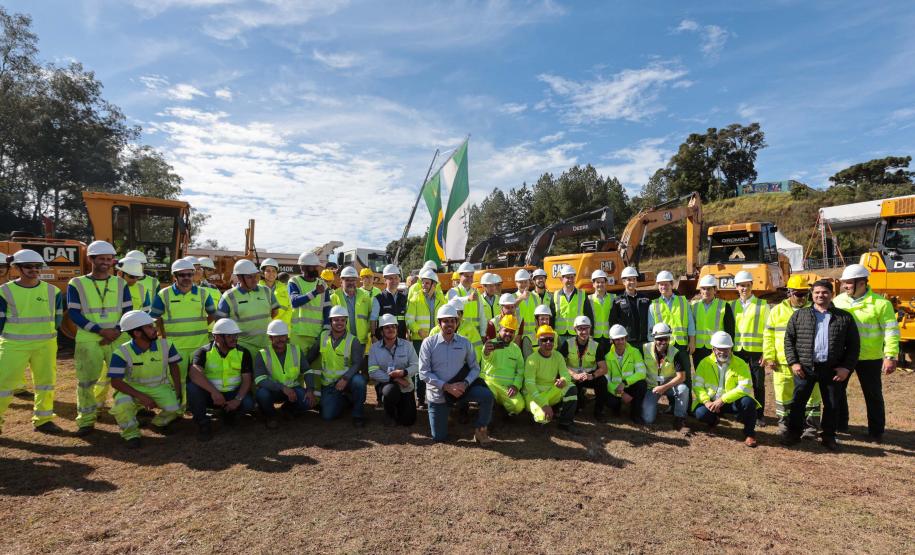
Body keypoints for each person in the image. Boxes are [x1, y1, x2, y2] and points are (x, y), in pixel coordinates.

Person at [783, 280, 860, 451]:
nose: (820, 295)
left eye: (824, 292)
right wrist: (794, 362)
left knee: (832, 404)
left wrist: (846, 368)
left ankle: (828, 437)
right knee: (798, 402)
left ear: (831, 294)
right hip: (805, 368)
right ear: (812, 294)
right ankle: (794, 433)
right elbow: (789, 340)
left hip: (832, 369)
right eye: (817, 292)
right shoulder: (799, 315)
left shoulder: (844, 317)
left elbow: (854, 346)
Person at [68, 240, 133, 436]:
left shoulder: (120, 283)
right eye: (101, 259)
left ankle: (128, 422)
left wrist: (115, 331)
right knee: (86, 382)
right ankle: (86, 421)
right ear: (91, 259)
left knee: (124, 379)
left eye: (109, 259)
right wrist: (101, 331)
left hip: (117, 337)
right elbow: (74, 314)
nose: (106, 262)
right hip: (89, 340)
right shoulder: (77, 283)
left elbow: (128, 311)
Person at [0, 250, 64, 434]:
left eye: (38, 267)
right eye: (29, 266)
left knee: (46, 383)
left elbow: (58, 320)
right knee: (3, 384)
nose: (34, 270)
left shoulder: (54, 291)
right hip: (13, 345)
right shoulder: (4, 292)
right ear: (17, 268)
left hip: (45, 345)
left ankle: (43, 419)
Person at [833, 264, 899, 442]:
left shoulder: (881, 304)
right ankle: (840, 425)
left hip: (869, 357)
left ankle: (876, 432)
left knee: (873, 395)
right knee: (837, 391)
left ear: (861, 283)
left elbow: (891, 332)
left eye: (848, 283)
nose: (845, 286)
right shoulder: (838, 301)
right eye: (844, 283)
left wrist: (890, 356)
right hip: (843, 357)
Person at [418, 304, 493, 444]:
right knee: (439, 438)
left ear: (457, 323)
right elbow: (423, 373)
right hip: (439, 394)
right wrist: (446, 386)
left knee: (487, 396)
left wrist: (465, 384)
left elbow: (475, 368)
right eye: (445, 321)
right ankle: (445, 415)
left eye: (453, 320)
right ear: (439, 323)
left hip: (461, 390)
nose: (449, 324)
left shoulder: (465, 342)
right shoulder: (428, 343)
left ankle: (481, 430)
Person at [107, 311, 182, 449]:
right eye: (149, 327)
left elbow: (174, 366)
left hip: (160, 387)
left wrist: (177, 389)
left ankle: (158, 423)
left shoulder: (166, 345)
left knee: (176, 408)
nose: (155, 329)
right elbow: (115, 382)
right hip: (133, 389)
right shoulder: (121, 352)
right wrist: (142, 397)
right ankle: (131, 434)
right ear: (137, 333)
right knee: (122, 406)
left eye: (152, 325)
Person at [150, 258, 217, 410]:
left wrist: (200, 326)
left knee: (200, 378)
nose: (186, 278)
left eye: (189, 274)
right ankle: (178, 408)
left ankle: (197, 407)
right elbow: (156, 318)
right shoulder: (164, 294)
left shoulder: (203, 293)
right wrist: (164, 336)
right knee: (176, 381)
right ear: (175, 276)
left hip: (199, 346)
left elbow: (212, 314)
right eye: (182, 275)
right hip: (175, 346)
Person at [763, 275, 821, 436]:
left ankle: (811, 427)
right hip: (782, 362)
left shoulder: (815, 310)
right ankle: (785, 425)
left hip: (808, 362)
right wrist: (769, 356)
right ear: (789, 293)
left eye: (805, 294)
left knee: (812, 395)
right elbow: (768, 335)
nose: (802, 298)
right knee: (784, 394)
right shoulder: (777, 311)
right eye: (798, 294)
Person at [186, 318, 256, 441]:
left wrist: (237, 400)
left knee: (248, 403)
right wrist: (214, 392)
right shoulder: (203, 352)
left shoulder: (243, 352)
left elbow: (247, 380)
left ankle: (230, 413)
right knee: (192, 388)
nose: (234, 338)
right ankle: (203, 424)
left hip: (233, 394)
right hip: (211, 396)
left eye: (235, 335)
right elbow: (194, 374)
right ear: (217, 337)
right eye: (229, 336)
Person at [692, 331, 761, 448]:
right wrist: (706, 402)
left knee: (748, 403)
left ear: (731, 348)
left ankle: (749, 433)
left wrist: (723, 400)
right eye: (719, 348)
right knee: (700, 413)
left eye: (726, 349)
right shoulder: (704, 363)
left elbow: (744, 387)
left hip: (731, 402)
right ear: (713, 348)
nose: (723, 352)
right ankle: (713, 422)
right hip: (712, 402)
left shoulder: (740, 363)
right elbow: (698, 385)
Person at [305, 305, 367, 426]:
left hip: (347, 381)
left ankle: (358, 414)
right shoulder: (322, 337)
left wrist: (345, 378)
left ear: (346, 321)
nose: (340, 323)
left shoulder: (353, 340)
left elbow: (357, 363)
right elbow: (310, 357)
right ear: (330, 321)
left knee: (359, 381)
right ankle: (347, 400)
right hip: (329, 385)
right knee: (327, 416)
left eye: (343, 320)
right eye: (336, 320)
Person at [255, 319, 315, 429]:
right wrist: (282, 388)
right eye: (276, 336)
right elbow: (260, 379)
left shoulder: (295, 350)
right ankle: (271, 416)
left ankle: (288, 409)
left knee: (307, 402)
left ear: (287, 336)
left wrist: (310, 389)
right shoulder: (262, 354)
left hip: (293, 390)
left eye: (283, 336)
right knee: (262, 394)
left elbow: (307, 370)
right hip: (273, 391)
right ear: (270, 338)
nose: (280, 339)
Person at [730, 271, 770, 427]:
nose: (744, 288)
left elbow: (768, 330)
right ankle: (740, 412)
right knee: (737, 383)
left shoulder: (762, 305)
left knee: (758, 384)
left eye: (747, 285)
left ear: (752, 286)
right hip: (738, 350)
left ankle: (759, 416)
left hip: (756, 351)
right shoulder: (732, 305)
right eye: (741, 286)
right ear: (736, 287)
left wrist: (766, 352)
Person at [216, 259, 279, 355]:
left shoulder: (266, 291)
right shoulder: (229, 296)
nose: (254, 279)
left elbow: (275, 312)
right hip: (242, 349)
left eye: (256, 276)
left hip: (267, 346)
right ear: (239, 277)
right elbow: (220, 322)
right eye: (249, 277)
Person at [523, 325, 578, 433]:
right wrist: (543, 404)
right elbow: (529, 385)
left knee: (571, 388)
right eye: (544, 340)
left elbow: (566, 374)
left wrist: (563, 380)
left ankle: (565, 422)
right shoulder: (532, 359)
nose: (548, 342)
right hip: (534, 395)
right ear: (539, 341)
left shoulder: (558, 356)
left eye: (551, 339)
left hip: (550, 392)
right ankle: (536, 416)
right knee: (543, 418)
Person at [368, 313, 418, 426]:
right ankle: (389, 414)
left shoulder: (407, 345)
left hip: (406, 386)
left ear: (397, 329)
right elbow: (373, 371)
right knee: (390, 391)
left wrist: (403, 372)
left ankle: (400, 408)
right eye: (387, 327)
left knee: (408, 421)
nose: (391, 329)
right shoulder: (374, 348)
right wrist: (394, 379)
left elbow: (416, 365)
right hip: (387, 385)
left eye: (393, 326)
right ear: (381, 331)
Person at [406, 268, 447, 407]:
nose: (424, 285)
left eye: (427, 283)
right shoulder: (415, 298)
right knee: (420, 369)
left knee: (436, 368)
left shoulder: (442, 299)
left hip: (437, 339)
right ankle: (420, 398)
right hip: (419, 339)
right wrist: (418, 331)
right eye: (423, 283)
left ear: (434, 285)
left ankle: (435, 397)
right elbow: (409, 319)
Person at [557, 315, 609, 420]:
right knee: (576, 408)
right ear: (574, 329)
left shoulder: (596, 346)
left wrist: (592, 375)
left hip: (588, 376)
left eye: (586, 328)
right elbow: (559, 364)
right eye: (580, 328)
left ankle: (599, 412)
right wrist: (574, 375)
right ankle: (578, 401)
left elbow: (604, 368)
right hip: (573, 378)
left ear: (590, 328)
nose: (584, 331)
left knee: (602, 381)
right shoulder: (567, 344)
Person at [641, 323, 690, 430]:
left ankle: (680, 417)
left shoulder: (675, 352)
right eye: (660, 339)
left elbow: (681, 377)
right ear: (653, 338)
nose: (663, 342)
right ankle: (652, 408)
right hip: (652, 388)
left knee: (683, 389)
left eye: (666, 339)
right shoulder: (644, 349)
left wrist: (664, 387)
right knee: (647, 419)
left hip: (668, 387)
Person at [480, 315, 526, 419]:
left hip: (507, 388)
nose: (508, 334)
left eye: (512, 332)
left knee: (518, 406)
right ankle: (488, 417)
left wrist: (516, 386)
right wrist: (486, 351)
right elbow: (486, 356)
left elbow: (520, 370)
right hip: (490, 384)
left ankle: (500, 409)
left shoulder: (516, 349)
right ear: (499, 329)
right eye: (506, 330)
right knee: (488, 396)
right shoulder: (490, 344)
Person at [605, 323, 647, 423]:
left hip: (629, 385)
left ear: (626, 338)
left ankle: (635, 414)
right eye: (617, 339)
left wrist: (625, 382)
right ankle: (616, 408)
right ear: (612, 341)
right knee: (611, 402)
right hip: (615, 389)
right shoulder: (607, 357)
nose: (620, 342)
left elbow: (642, 372)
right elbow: (606, 380)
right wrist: (621, 394)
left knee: (642, 384)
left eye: (622, 339)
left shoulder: (635, 352)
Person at [287, 252, 329, 352]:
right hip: (298, 333)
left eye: (316, 267)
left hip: (317, 333)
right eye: (312, 267)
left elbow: (327, 307)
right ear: (303, 268)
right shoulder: (294, 281)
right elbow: (295, 301)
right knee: (296, 365)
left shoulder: (322, 284)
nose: (315, 269)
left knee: (316, 366)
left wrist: (327, 328)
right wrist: (315, 292)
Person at [691, 274, 735, 368]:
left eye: (709, 289)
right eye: (703, 288)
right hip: (699, 349)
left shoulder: (724, 306)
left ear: (715, 290)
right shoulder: (694, 306)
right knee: (700, 375)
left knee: (717, 374)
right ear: (700, 290)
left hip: (717, 348)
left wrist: (729, 348)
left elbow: (730, 329)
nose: (706, 291)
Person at [647, 271, 695, 355]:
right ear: (658, 286)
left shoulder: (683, 301)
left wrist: (692, 341)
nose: (663, 287)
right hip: (663, 345)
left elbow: (691, 323)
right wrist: (653, 347)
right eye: (661, 284)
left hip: (681, 344)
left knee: (685, 368)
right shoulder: (653, 305)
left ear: (672, 284)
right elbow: (651, 328)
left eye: (666, 284)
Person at [549, 265, 594, 347]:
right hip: (559, 336)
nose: (570, 280)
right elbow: (551, 318)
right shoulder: (555, 295)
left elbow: (589, 316)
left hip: (577, 335)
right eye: (567, 277)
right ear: (562, 279)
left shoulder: (582, 295)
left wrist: (590, 334)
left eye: (572, 277)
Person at [608, 266, 650, 347]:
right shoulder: (617, 301)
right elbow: (612, 321)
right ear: (623, 282)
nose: (632, 282)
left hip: (645, 341)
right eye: (629, 280)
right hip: (627, 342)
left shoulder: (645, 299)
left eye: (634, 279)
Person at [448, 261, 486, 338]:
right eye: (466, 276)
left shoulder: (476, 292)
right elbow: (454, 301)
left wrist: (483, 334)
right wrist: (468, 298)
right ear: (460, 276)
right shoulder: (453, 291)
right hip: (460, 334)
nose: (469, 279)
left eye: (471, 276)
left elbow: (482, 314)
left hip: (475, 334)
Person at [371, 264, 408, 340]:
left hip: (401, 338)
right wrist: (373, 335)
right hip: (383, 339)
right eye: (390, 278)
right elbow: (373, 319)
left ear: (399, 279)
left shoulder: (404, 298)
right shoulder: (378, 298)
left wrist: (408, 334)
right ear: (385, 280)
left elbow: (407, 318)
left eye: (396, 278)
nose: (394, 281)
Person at [259, 258, 292, 325]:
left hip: (281, 329)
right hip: (262, 328)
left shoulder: (285, 289)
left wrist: (280, 325)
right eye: (268, 271)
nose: (271, 273)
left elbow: (290, 309)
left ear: (277, 273)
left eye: (273, 271)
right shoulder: (256, 288)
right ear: (262, 273)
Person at [514, 269, 541, 348]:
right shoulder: (512, 297)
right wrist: (521, 298)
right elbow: (509, 309)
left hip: (533, 337)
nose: (523, 284)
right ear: (516, 283)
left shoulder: (536, 297)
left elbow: (539, 317)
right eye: (520, 282)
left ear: (529, 282)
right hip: (517, 336)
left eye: (525, 282)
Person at [589, 269, 615, 348]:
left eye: (603, 282)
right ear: (593, 284)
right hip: (594, 337)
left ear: (606, 283)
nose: (600, 284)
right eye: (598, 282)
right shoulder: (588, 299)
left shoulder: (613, 298)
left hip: (609, 337)